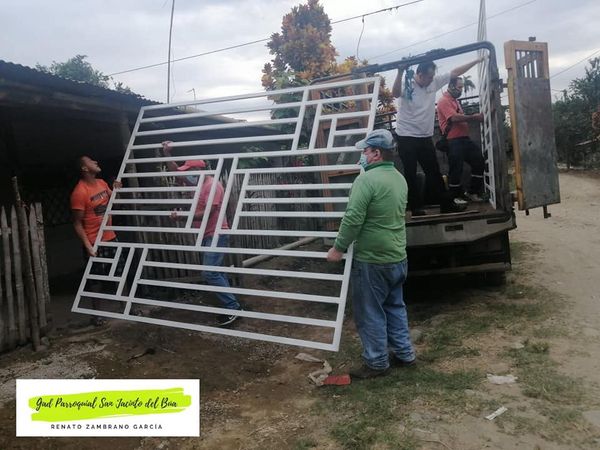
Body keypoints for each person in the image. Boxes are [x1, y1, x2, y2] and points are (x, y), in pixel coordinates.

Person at [326, 129, 415, 379]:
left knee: (370, 311)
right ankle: (404, 353)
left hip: (373, 259)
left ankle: (376, 362)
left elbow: (353, 218)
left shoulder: (365, 181)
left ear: (376, 153)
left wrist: (338, 248)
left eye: (365, 151)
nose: (362, 156)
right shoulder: (399, 178)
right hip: (397, 255)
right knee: (394, 306)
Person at [161, 141, 242, 327]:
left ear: (199, 170)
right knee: (216, 271)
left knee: (210, 272)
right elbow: (176, 171)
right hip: (207, 234)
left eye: (189, 171)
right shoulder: (197, 183)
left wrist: (182, 217)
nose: (187, 175)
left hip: (217, 233)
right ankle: (231, 306)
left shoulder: (212, 186)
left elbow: (208, 213)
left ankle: (233, 308)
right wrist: (167, 153)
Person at [392, 57, 483, 215]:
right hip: (406, 136)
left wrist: (477, 60)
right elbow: (395, 93)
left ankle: (446, 205)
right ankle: (415, 208)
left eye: (432, 76)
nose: (431, 80)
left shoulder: (433, 82)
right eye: (428, 77)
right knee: (410, 173)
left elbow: (455, 72)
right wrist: (400, 71)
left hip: (425, 136)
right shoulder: (407, 84)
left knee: (434, 171)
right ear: (420, 74)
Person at [70, 156, 121, 325]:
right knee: (95, 279)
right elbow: (77, 223)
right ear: (84, 168)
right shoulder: (80, 192)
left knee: (119, 272)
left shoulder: (101, 183)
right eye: (91, 161)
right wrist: (88, 246)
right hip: (94, 242)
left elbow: (113, 203)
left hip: (111, 237)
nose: (96, 162)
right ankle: (96, 315)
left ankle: (127, 308)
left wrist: (116, 190)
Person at [436, 76, 486, 202]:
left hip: (464, 138)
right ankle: (455, 196)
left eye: (462, 87)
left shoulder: (455, 101)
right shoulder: (444, 101)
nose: (461, 90)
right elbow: (453, 118)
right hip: (453, 140)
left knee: (479, 161)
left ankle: (472, 192)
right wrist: (473, 117)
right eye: (459, 87)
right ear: (451, 86)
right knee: (456, 169)